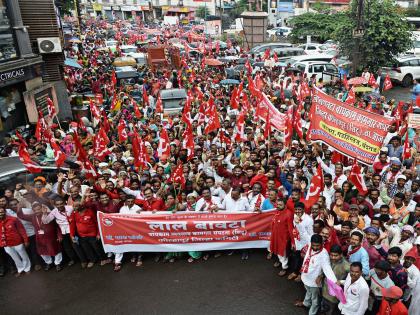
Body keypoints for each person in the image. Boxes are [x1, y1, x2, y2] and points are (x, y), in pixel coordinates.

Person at [295, 234, 337, 315]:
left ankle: (312, 312)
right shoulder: (310, 246)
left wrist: (334, 282)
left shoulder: (324, 254)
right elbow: (303, 232)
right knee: (308, 292)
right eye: (313, 245)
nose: (315, 247)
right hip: (305, 277)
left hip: (314, 282)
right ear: (311, 243)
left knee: (315, 299)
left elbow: (327, 269)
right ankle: (306, 303)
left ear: (322, 244)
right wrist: (297, 223)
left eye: (318, 245)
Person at [17, 202, 63, 271]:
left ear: (42, 208)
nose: (37, 211)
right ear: (33, 210)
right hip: (40, 238)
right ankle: (49, 263)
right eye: (35, 210)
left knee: (56, 250)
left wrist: (59, 235)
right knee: (43, 252)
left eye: (38, 209)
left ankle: (57, 263)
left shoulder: (49, 215)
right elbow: (21, 216)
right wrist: (19, 208)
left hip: (51, 237)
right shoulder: (32, 216)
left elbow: (57, 226)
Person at [0, 207, 31, 277]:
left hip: (18, 242)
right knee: (15, 258)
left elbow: (22, 230)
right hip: (6, 244)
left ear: (5, 212)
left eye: (2, 212)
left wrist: (25, 240)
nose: (0, 214)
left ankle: (27, 268)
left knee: (24, 256)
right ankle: (20, 269)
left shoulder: (13, 219)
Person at [320, 244, 350, 315]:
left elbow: (354, 279)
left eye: (336, 255)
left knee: (330, 311)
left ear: (341, 255)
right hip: (324, 290)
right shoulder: (328, 260)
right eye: (331, 255)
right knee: (323, 308)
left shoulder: (346, 266)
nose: (333, 257)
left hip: (334, 295)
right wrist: (320, 276)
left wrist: (342, 282)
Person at [269, 198, 294, 276]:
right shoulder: (277, 212)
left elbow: (290, 228)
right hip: (275, 236)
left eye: (280, 205)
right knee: (276, 250)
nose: (278, 206)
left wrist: (292, 241)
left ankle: (284, 267)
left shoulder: (288, 214)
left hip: (283, 238)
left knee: (283, 253)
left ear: (285, 205)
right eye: (277, 204)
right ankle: (280, 261)